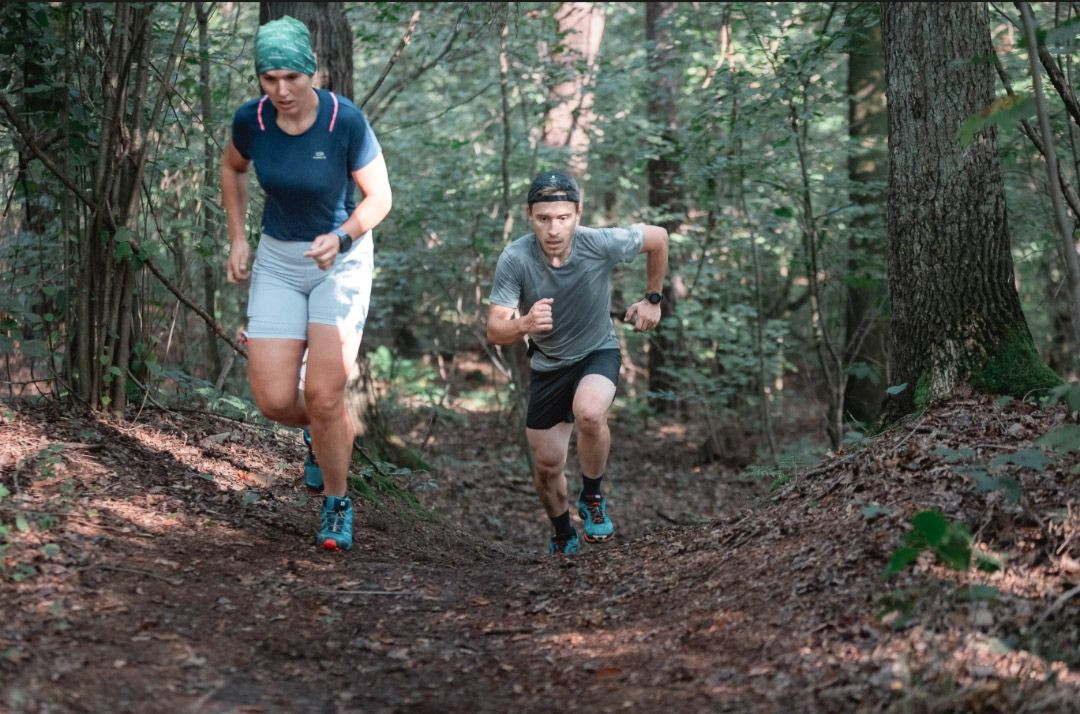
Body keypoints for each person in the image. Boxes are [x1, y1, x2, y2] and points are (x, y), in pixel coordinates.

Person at [220, 15, 391, 551]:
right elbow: (232, 169)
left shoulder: (345, 120)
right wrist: (238, 238)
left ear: (312, 73)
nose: (282, 90)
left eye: (292, 77)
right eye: (269, 79)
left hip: (340, 262)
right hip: (277, 260)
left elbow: (380, 198)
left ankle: (337, 504)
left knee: (322, 393)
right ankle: (322, 430)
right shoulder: (252, 121)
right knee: (274, 400)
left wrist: (341, 237)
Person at [486, 171, 669, 554]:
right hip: (548, 365)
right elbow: (495, 330)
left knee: (589, 413)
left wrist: (653, 299)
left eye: (563, 217)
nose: (553, 229)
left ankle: (592, 496)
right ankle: (562, 532)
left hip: (596, 352)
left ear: (578, 213)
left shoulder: (599, 243)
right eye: (543, 218)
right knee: (547, 467)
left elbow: (659, 238)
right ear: (530, 216)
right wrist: (524, 324)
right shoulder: (516, 258)